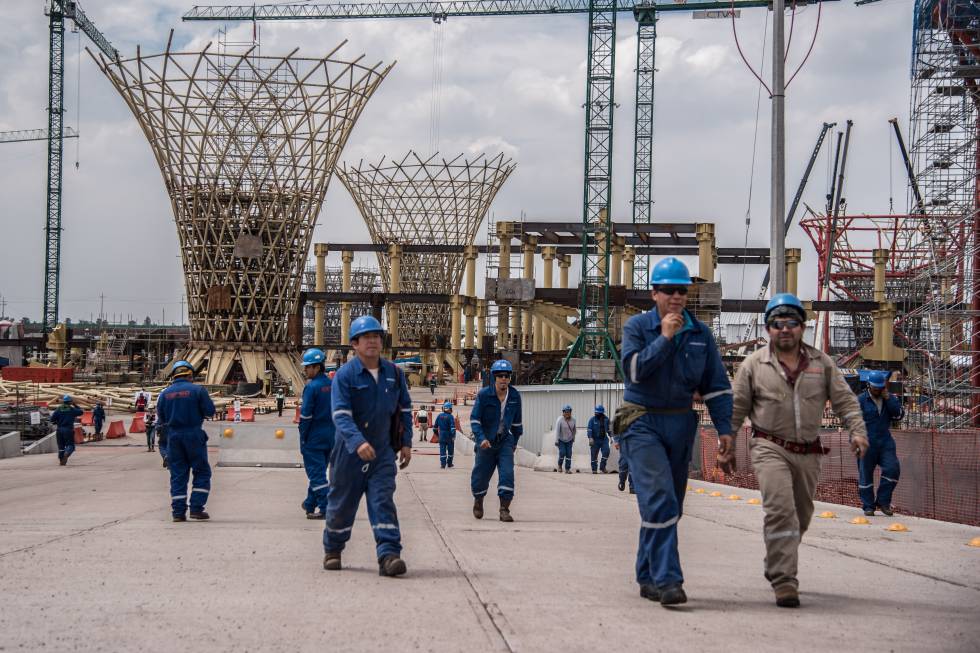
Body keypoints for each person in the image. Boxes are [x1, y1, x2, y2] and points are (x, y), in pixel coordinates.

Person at [726, 293, 869, 608]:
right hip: (768, 447)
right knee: (781, 511)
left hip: (808, 451)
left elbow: (845, 401)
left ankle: (776, 558)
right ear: (768, 329)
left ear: (802, 326)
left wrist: (857, 432)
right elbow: (736, 409)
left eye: (792, 322)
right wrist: (727, 445)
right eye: (777, 323)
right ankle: (784, 579)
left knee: (801, 516)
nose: (785, 329)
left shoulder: (822, 364)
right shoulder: (753, 365)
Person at [619, 257, 734, 607]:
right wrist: (665, 338)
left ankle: (646, 572)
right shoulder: (637, 328)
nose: (676, 296)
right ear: (654, 293)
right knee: (659, 500)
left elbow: (716, 386)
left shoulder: (701, 335)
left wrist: (726, 430)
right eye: (668, 290)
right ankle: (669, 580)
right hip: (641, 421)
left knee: (671, 507)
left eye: (682, 290)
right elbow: (635, 372)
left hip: (680, 424)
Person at [325, 315, 413, 576]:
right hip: (349, 453)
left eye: (376, 336)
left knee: (382, 501)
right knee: (341, 504)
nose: (372, 341)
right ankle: (333, 548)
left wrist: (406, 442)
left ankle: (389, 555)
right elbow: (340, 414)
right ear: (355, 344)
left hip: (382, 451)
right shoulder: (345, 376)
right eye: (366, 337)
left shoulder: (394, 374)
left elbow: (404, 409)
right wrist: (357, 441)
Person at [156, 360, 216, 522]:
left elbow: (161, 418)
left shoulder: (164, 394)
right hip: (193, 434)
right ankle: (196, 508)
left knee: (178, 474)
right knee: (201, 471)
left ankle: (178, 513)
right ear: (190, 374)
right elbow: (210, 412)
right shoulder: (198, 390)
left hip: (173, 436)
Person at [470, 359, 523, 522]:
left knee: (507, 474)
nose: (504, 379)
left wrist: (514, 443)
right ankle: (478, 500)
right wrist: (481, 439)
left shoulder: (514, 395)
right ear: (494, 377)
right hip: (486, 442)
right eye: (500, 376)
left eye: (507, 376)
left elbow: (517, 423)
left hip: (505, 441)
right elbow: (475, 420)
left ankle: (504, 509)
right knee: (480, 477)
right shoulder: (484, 395)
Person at [857, 370, 904, 517]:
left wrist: (889, 399)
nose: (878, 390)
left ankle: (883, 502)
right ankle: (868, 506)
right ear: (869, 385)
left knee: (892, 469)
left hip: (885, 442)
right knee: (865, 475)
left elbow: (898, 415)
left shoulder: (889, 398)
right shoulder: (860, 400)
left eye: (880, 387)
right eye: (875, 387)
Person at [298, 348, 335, 520]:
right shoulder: (332, 384)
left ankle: (326, 507)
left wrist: (303, 437)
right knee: (319, 472)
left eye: (308, 367)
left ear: (317, 367)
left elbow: (305, 416)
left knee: (316, 475)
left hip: (314, 437)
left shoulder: (311, 388)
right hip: (331, 436)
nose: (305, 370)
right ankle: (310, 503)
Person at [50, 395, 83, 466]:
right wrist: (75, 404)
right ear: (70, 402)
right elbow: (81, 412)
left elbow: (52, 419)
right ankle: (67, 453)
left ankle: (61, 459)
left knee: (61, 446)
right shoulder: (72, 409)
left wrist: (57, 422)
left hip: (59, 430)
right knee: (70, 445)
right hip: (68, 430)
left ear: (64, 401)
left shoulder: (58, 409)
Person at [587, 404, 611, 474]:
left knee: (606, 452)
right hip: (595, 440)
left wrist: (612, 437)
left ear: (602, 413)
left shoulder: (606, 419)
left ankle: (602, 467)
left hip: (604, 439)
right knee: (594, 455)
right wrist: (590, 438)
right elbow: (589, 429)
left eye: (598, 412)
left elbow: (609, 430)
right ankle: (594, 469)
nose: (596, 413)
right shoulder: (592, 420)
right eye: (596, 412)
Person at [553, 405, 576, 473]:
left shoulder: (573, 420)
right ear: (563, 412)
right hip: (561, 440)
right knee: (562, 452)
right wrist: (556, 440)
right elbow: (557, 430)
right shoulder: (560, 420)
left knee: (569, 454)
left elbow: (574, 430)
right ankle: (560, 465)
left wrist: (573, 438)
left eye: (568, 412)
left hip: (569, 440)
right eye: (566, 412)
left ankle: (567, 469)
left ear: (570, 412)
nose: (567, 413)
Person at [434, 401, 457, 469]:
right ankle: (449, 464)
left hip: (442, 435)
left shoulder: (439, 416)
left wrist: (438, 435)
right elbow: (453, 428)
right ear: (450, 409)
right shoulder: (450, 417)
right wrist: (453, 436)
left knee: (442, 450)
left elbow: (435, 428)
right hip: (449, 436)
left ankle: (443, 465)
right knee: (450, 451)